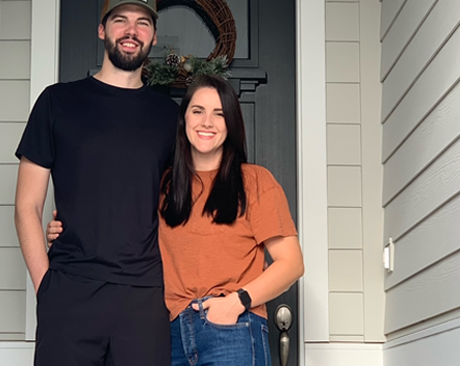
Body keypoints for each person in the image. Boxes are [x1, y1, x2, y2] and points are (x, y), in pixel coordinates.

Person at [48, 75, 304, 366]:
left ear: (231, 124)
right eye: (198, 111)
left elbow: (291, 264)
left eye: (219, 114)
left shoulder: (255, 182)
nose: (207, 122)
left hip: (232, 329)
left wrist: (236, 303)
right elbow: (117, 222)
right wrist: (66, 228)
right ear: (183, 120)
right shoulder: (163, 185)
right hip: (170, 334)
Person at [14, 0, 178, 366]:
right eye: (120, 20)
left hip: (145, 295)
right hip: (70, 290)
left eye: (142, 23)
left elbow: (183, 204)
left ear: (152, 37)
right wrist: (46, 286)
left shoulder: (168, 115)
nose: (131, 31)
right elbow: (27, 204)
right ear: (102, 30)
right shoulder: (58, 102)